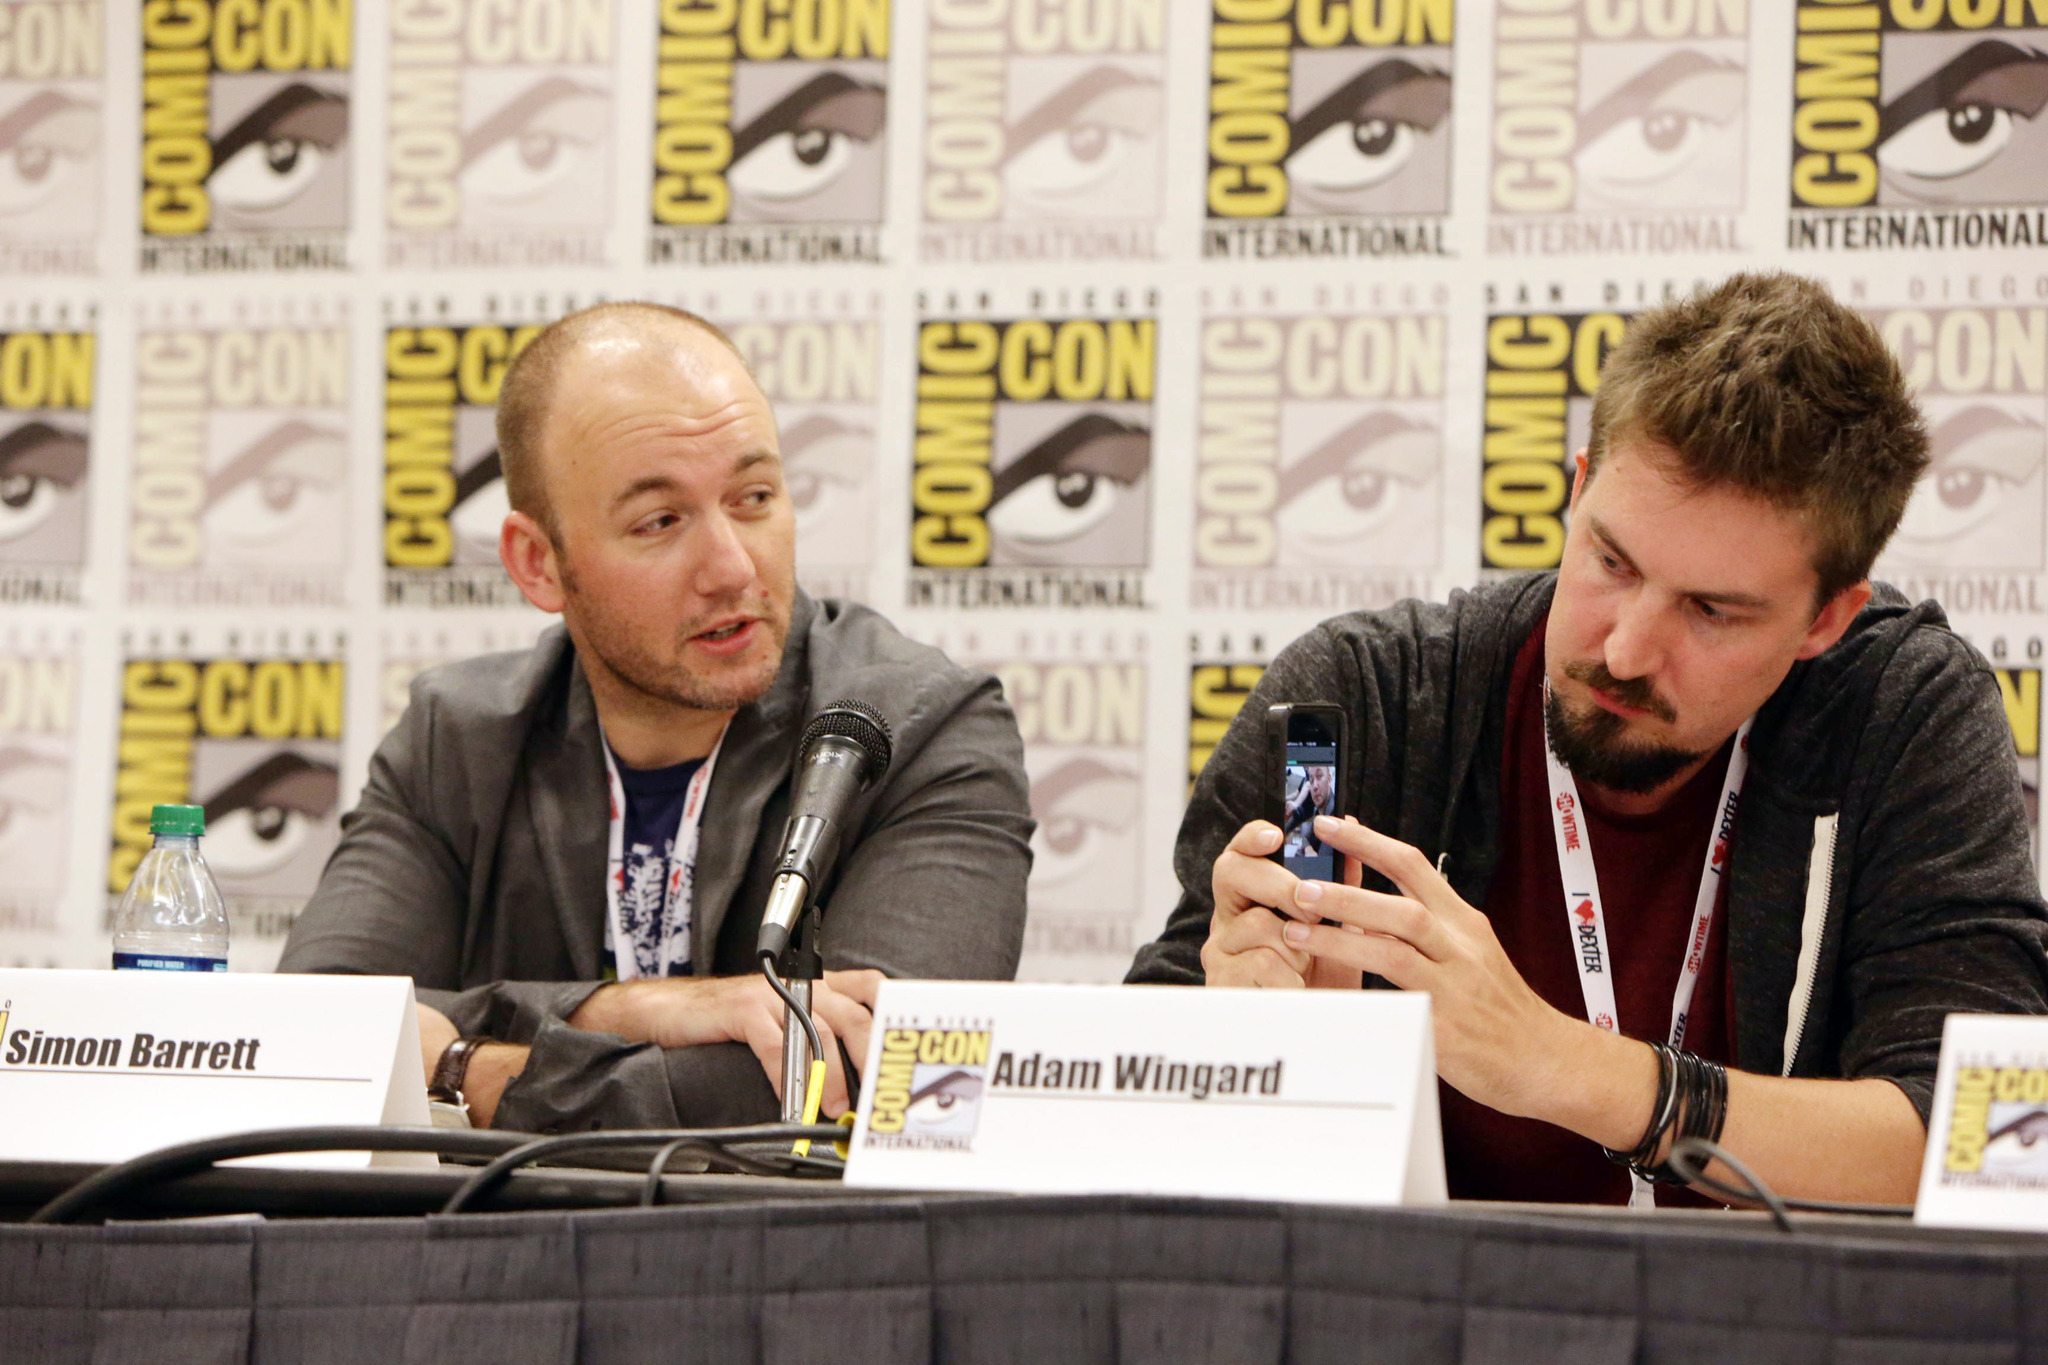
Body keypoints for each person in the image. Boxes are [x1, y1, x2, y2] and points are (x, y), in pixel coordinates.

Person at [1129, 272, 2048, 1206]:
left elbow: (1986, 1138)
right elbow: (1132, 1112)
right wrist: (1249, 1048)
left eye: (1712, 610)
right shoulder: (1367, 701)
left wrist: (1560, 1064)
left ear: (1825, 621)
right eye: (1612, 561)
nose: (1626, 648)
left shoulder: (1901, 713)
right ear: (1577, 490)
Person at [281, 303, 1035, 1131]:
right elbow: (315, 1041)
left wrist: (464, 1065)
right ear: (539, 564)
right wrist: (638, 1009)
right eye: (660, 521)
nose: (732, 565)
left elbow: (883, 1081)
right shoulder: (458, 739)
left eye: (754, 497)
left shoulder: (915, 730)